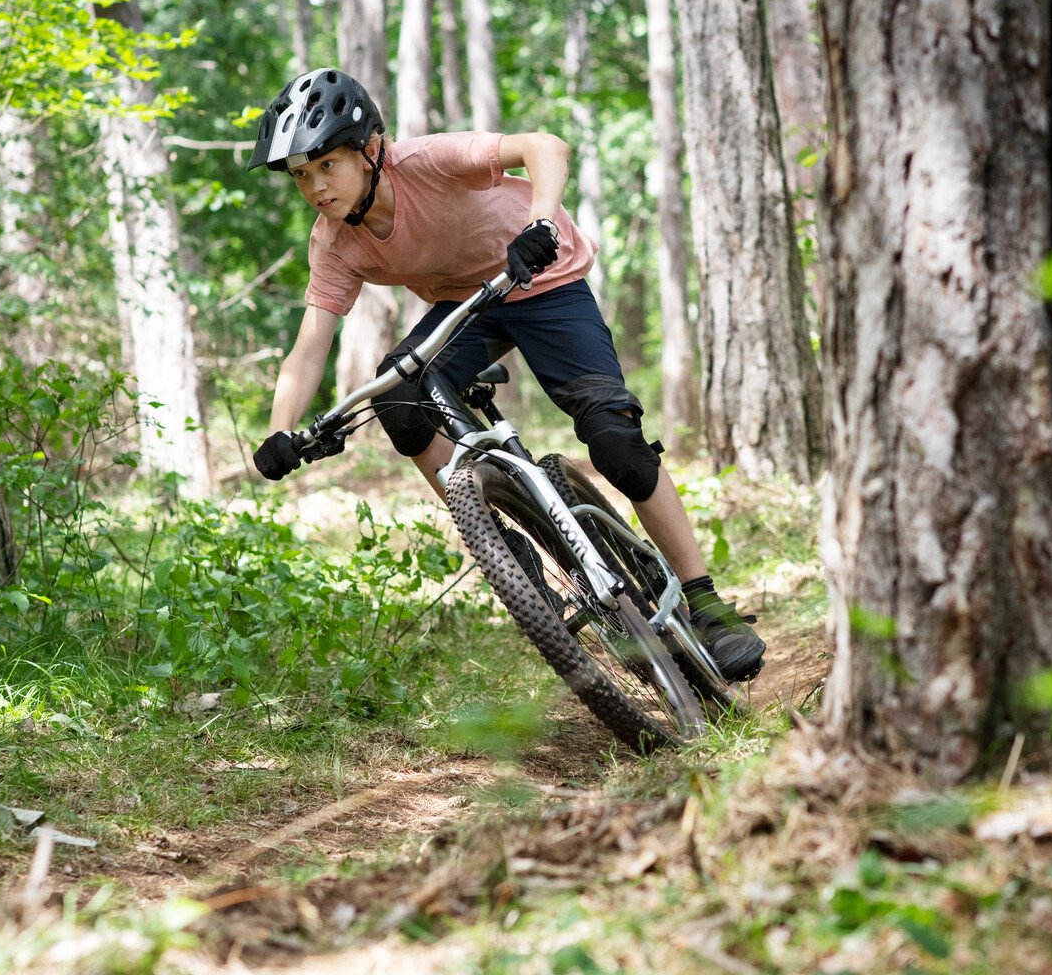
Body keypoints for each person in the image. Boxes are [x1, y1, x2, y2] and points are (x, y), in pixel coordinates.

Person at [246, 68, 764, 681]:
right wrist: (282, 432)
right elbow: (309, 347)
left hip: (545, 279)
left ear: (371, 150)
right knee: (398, 392)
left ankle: (704, 601)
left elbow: (545, 146)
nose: (314, 187)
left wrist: (539, 225)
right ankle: (501, 544)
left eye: (326, 165)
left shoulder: (428, 161)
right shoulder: (334, 242)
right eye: (302, 175)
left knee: (615, 441)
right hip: (469, 305)